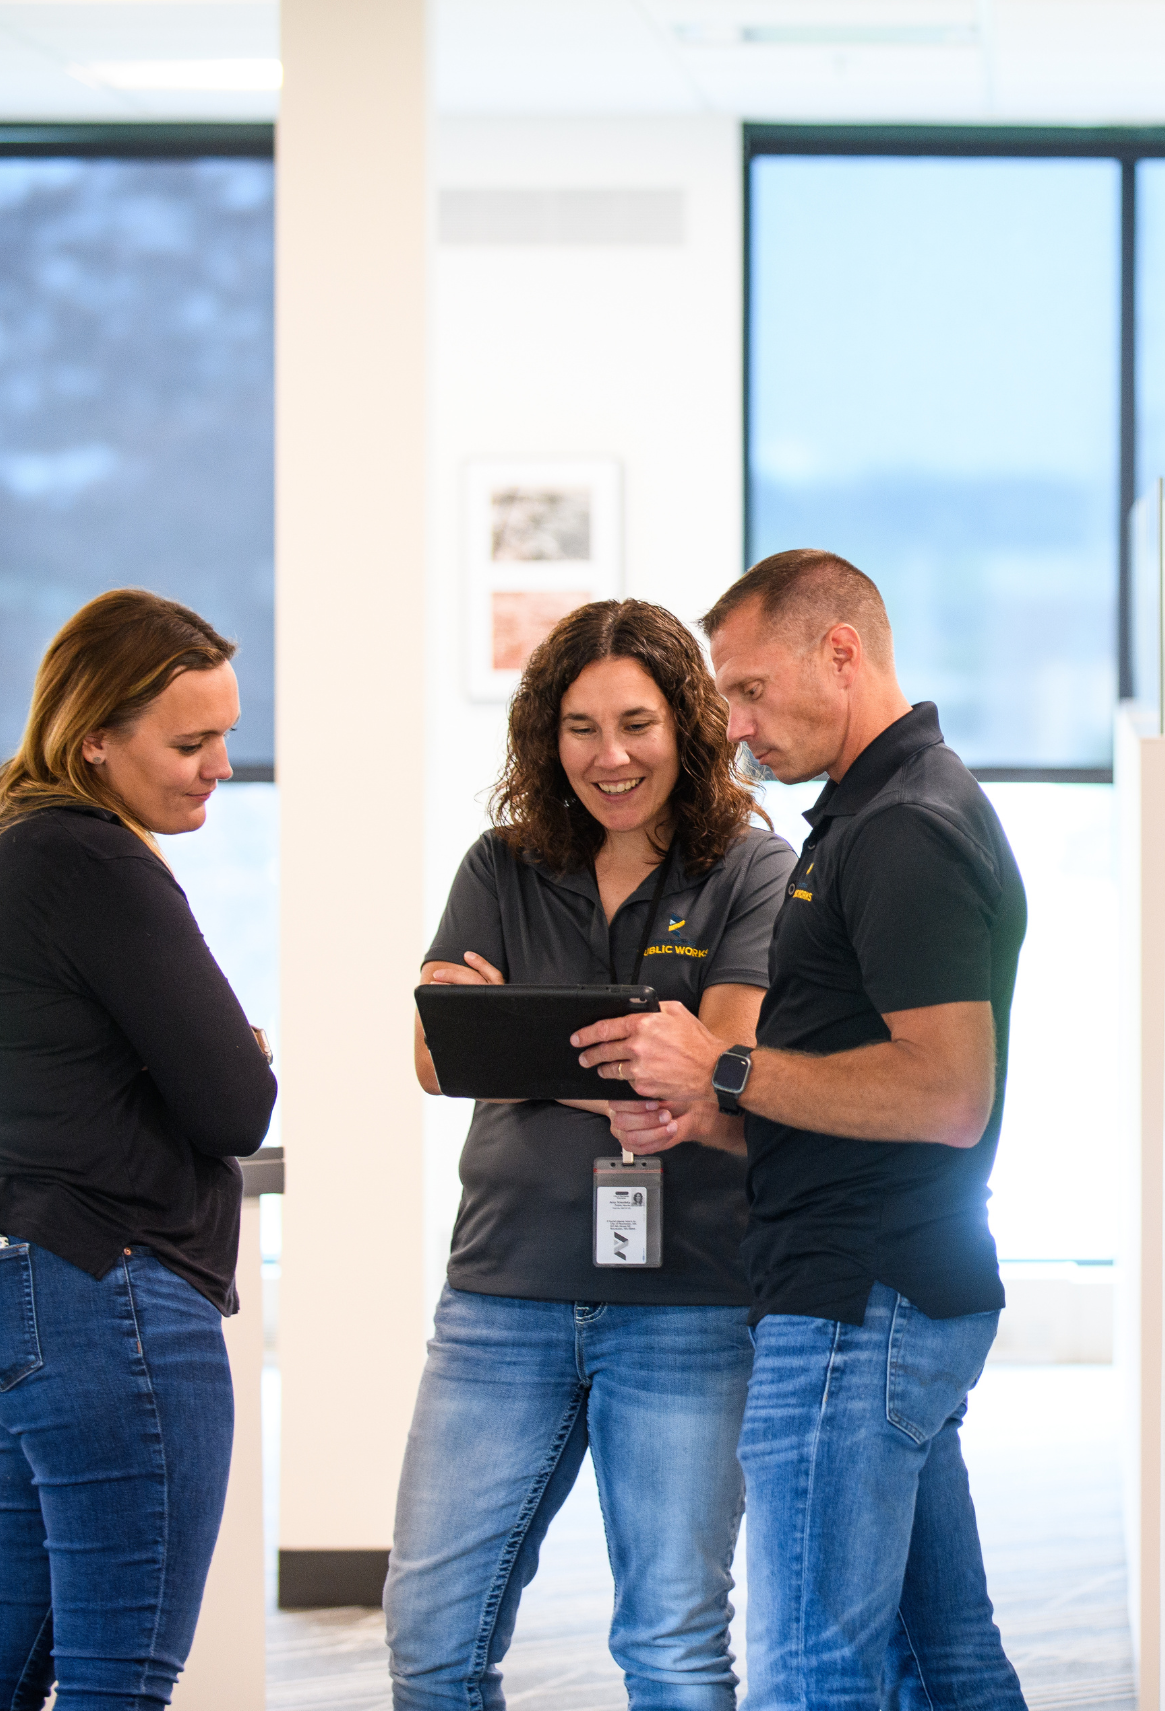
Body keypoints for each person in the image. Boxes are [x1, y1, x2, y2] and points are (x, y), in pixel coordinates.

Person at [572, 549, 1030, 1710]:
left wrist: (724, 1064)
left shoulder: (906, 828)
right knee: (946, 1663)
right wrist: (715, 1113)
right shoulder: (873, 811)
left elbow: (946, 1094)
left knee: (810, 1676)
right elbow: (846, 1081)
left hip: (855, 1302)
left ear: (841, 652)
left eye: (749, 691)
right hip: (884, 1289)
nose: (732, 727)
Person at [391, 600, 795, 1711]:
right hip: (501, 1293)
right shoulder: (501, 865)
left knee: (671, 1645)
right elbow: (435, 1054)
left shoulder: (752, 869)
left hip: (689, 1304)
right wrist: (628, 1055)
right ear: (547, 736)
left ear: (687, 726)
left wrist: (518, 1036)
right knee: (431, 1643)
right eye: (580, 728)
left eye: (636, 724)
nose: (609, 757)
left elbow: (721, 1062)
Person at [0, 588, 277, 1710]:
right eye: (189, 742)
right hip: (103, 1294)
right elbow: (236, 1105)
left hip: (4, 1280)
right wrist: (240, 1054)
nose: (221, 766)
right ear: (95, 739)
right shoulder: (96, 862)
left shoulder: (8, 846)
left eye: (226, 734)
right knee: (117, 1680)